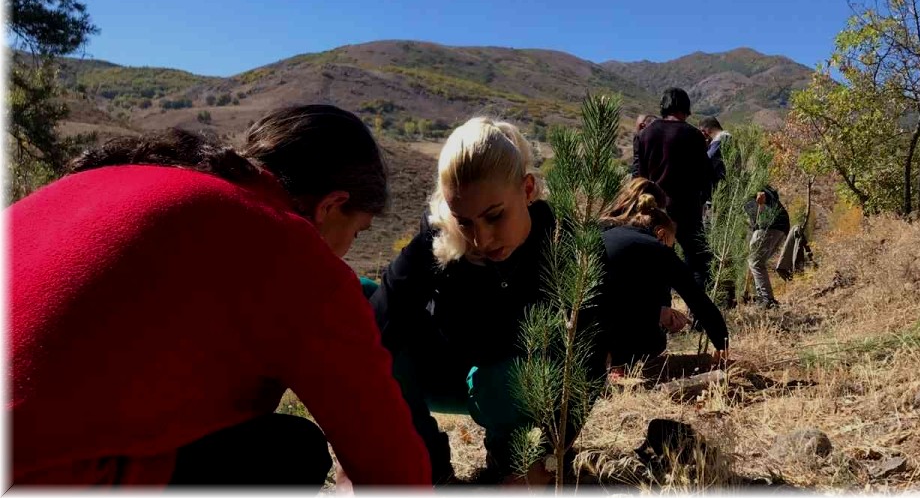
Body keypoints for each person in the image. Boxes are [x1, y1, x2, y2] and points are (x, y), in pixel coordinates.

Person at [8, 105, 432, 488]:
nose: (347, 250)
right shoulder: (285, 243)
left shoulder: (109, 180)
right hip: (42, 478)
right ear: (332, 205)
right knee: (289, 450)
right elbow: (396, 474)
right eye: (355, 233)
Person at [370, 117, 601, 486]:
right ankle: (430, 467)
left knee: (501, 381)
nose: (481, 239)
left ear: (527, 190)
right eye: (465, 221)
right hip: (448, 369)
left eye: (495, 216)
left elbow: (591, 356)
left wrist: (548, 460)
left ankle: (511, 456)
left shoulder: (563, 243)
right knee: (362, 305)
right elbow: (379, 323)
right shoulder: (439, 234)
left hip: (515, 388)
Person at [597, 183, 729, 380]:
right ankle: (623, 363)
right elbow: (698, 300)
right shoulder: (656, 248)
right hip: (614, 332)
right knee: (656, 341)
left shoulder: (602, 235)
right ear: (661, 234)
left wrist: (659, 310)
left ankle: (610, 362)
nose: (671, 248)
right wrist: (722, 344)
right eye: (671, 242)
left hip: (584, 334)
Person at [634, 88, 719, 302]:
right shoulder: (693, 135)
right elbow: (705, 174)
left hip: (654, 209)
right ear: (686, 108)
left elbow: (638, 176)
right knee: (698, 262)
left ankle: (660, 317)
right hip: (687, 209)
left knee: (656, 263)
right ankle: (698, 317)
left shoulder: (645, 134)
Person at [743, 185, 791, 308]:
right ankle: (762, 298)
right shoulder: (762, 185)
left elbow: (759, 216)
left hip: (769, 225)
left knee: (755, 263)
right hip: (782, 225)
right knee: (757, 262)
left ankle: (767, 299)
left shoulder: (747, 190)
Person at [697, 116, 731, 189]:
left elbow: (708, 159)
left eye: (702, 131)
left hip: (723, 184)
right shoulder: (725, 136)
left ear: (706, 129)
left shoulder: (721, 138)